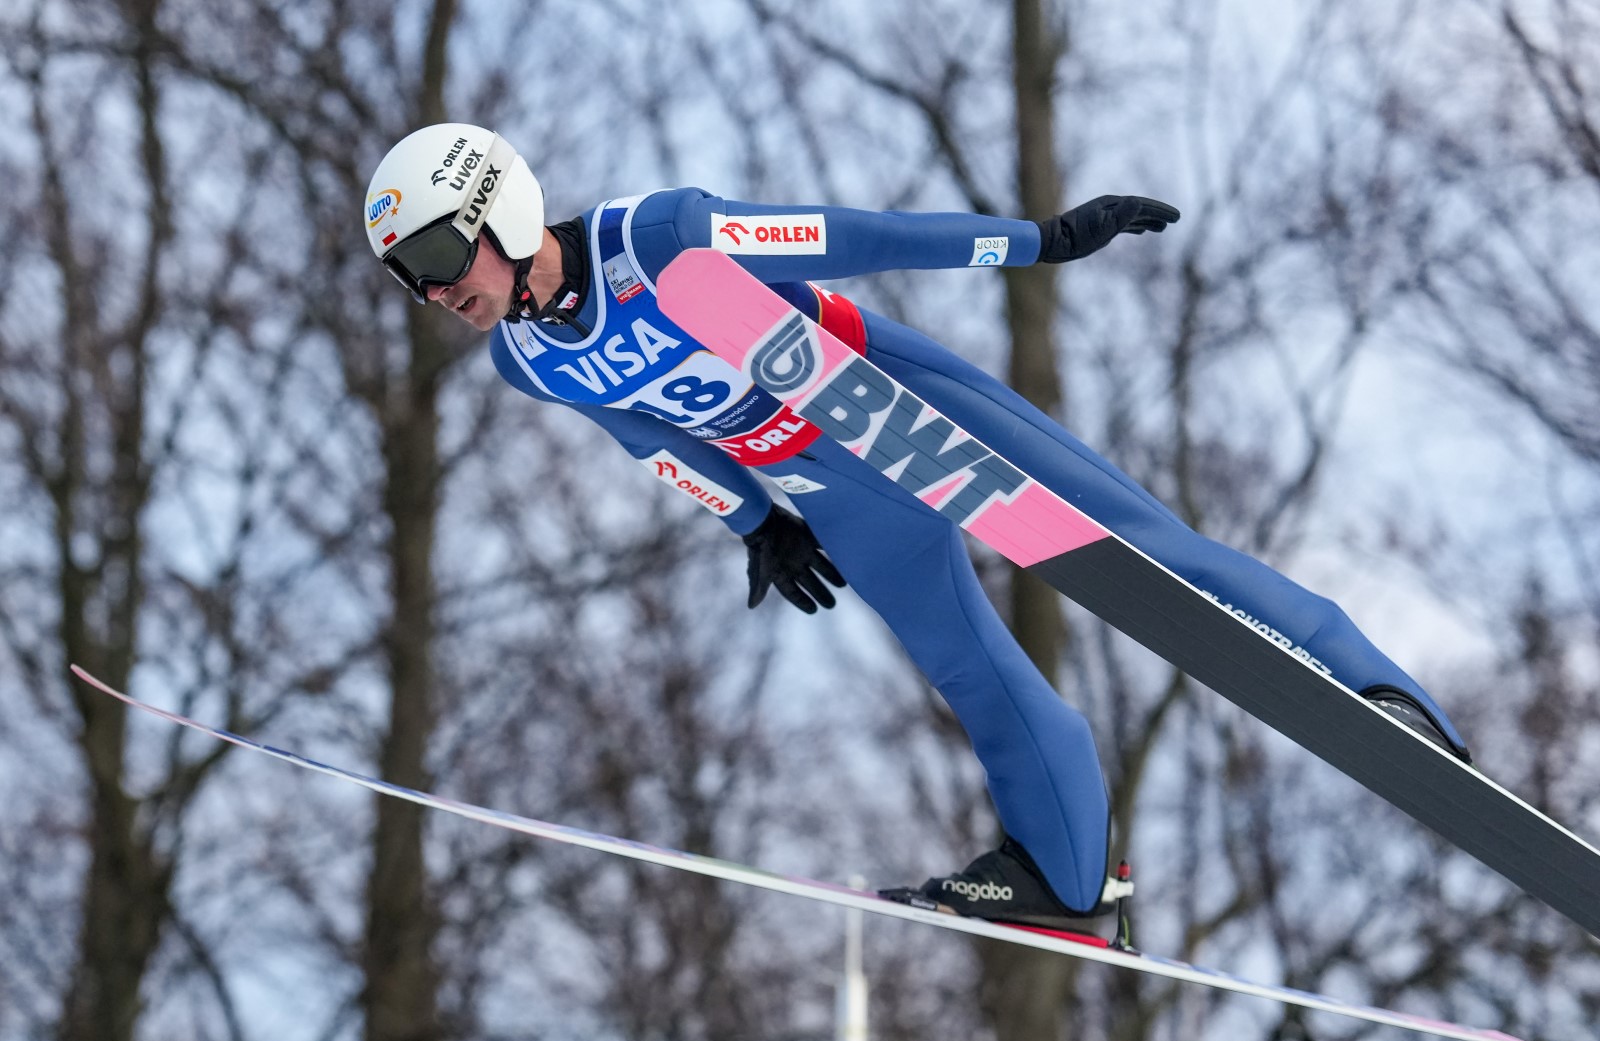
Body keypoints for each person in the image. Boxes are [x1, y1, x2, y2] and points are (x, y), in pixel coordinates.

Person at [363, 123, 1471, 931]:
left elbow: (857, 235)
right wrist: (753, 521)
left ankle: (1377, 692)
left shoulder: (661, 238)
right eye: (410, 281)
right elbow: (645, 435)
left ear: (499, 211)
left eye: (433, 262)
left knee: (1145, 551)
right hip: (819, 480)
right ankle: (1069, 875)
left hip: (888, 396)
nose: (432, 295)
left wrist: (1035, 240)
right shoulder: (526, 356)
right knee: (967, 666)